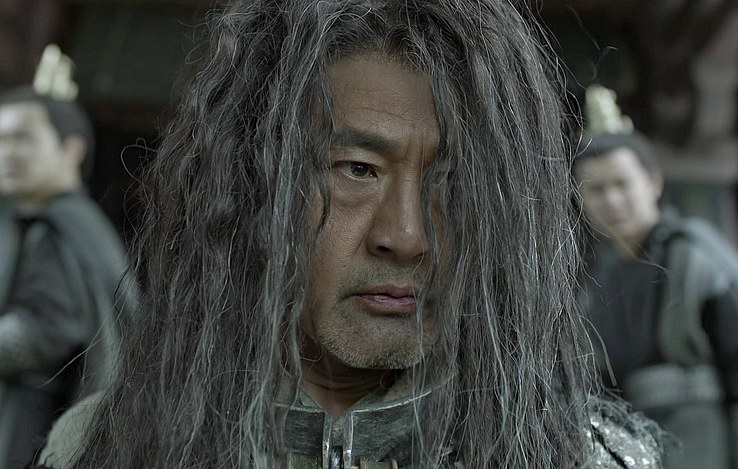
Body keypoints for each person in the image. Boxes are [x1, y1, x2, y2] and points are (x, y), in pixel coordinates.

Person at [36, 2, 663, 468]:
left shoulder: (580, 457)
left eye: (452, 183)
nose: (408, 237)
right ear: (257, 190)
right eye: (357, 170)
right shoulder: (106, 449)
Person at [574, 85, 738, 469]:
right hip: (639, 449)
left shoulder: (700, 258)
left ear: (653, 182)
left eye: (622, 184)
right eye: (596, 189)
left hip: (711, 445)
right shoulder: (598, 285)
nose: (611, 201)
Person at [0, 83, 130, 468]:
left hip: (39, 431)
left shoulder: (60, 229)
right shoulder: (66, 224)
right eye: (0, 139)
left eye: (22, 138)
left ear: (71, 149)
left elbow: (47, 333)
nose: (7, 152)